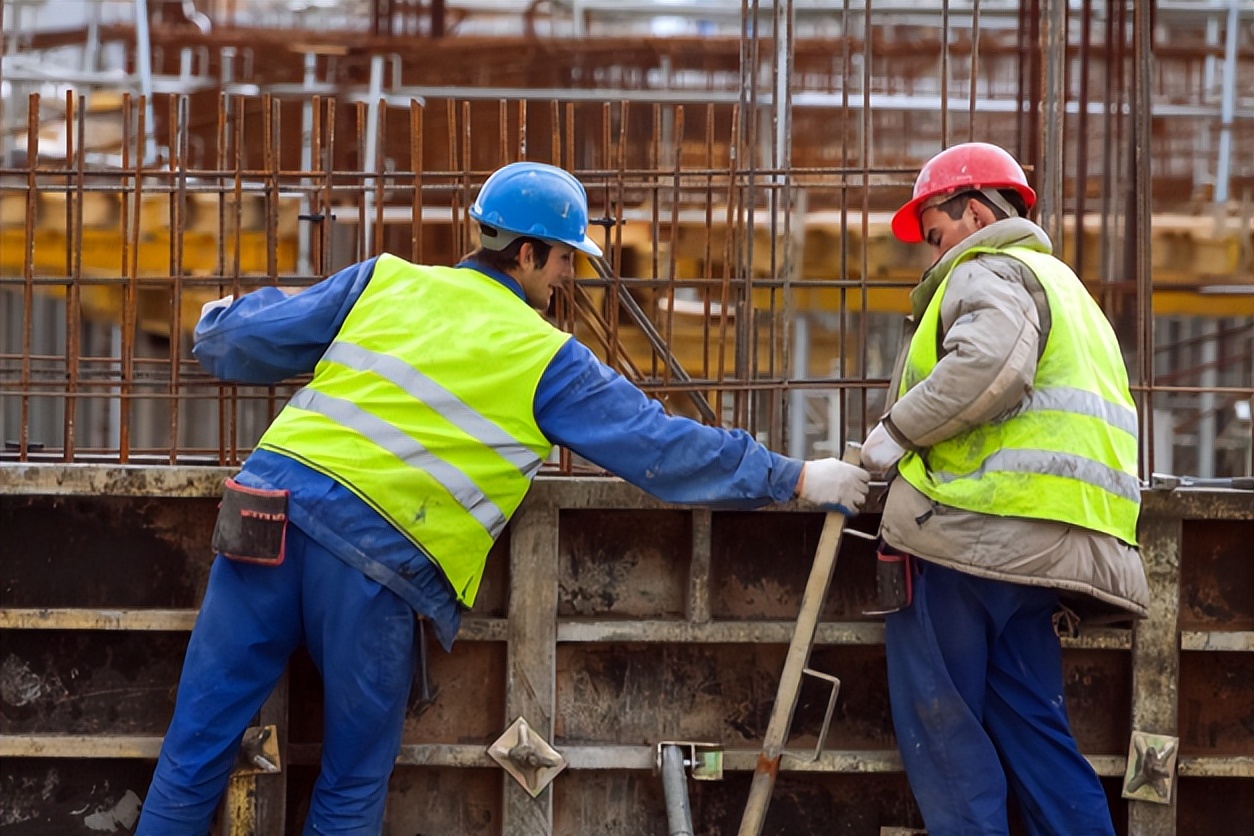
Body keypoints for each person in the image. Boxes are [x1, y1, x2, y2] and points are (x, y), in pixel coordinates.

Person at [136, 161, 871, 836]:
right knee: (351, 783)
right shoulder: (544, 355)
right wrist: (795, 477)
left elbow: (233, 344)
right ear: (524, 254)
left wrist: (221, 314)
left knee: (195, 747)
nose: (564, 280)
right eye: (562, 261)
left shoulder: (386, 281)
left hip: (267, 517)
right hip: (376, 560)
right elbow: (659, 449)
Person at [859, 142, 1150, 836]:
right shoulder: (1069, 290)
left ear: (978, 212)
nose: (931, 256)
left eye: (934, 235)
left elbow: (989, 365)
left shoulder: (987, 269)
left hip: (968, 533)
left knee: (947, 728)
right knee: (1036, 735)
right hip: (1051, 548)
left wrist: (895, 433)